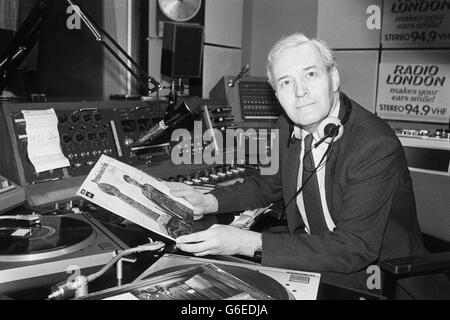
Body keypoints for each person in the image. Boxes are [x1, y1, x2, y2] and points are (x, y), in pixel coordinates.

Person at [167, 33, 426, 293]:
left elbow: (353, 248)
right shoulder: (288, 124)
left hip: (376, 276)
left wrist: (246, 243)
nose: (300, 92)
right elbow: (270, 184)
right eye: (286, 82)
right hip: (313, 251)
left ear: (333, 78)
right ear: (277, 95)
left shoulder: (374, 144)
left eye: (310, 75)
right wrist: (209, 201)